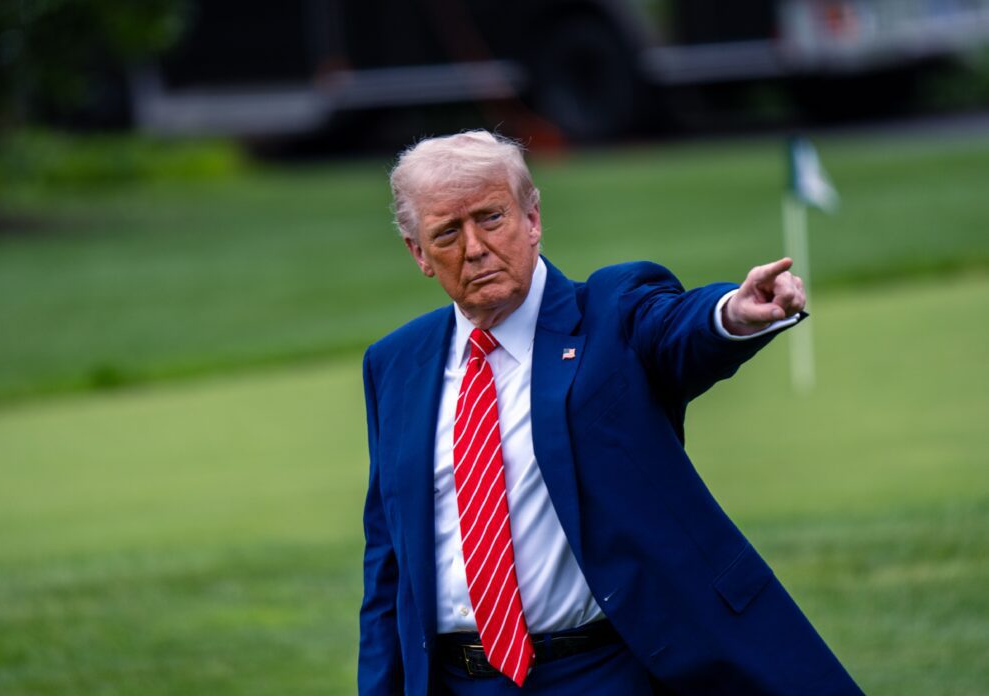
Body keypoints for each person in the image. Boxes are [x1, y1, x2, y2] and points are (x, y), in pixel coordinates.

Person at [359, 130, 861, 695]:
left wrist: (733, 313)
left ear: (532, 217)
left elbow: (677, 329)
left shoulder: (612, 313)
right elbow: (388, 566)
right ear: (418, 253)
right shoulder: (395, 364)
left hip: (596, 672)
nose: (474, 247)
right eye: (447, 233)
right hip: (458, 680)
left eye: (491, 218)